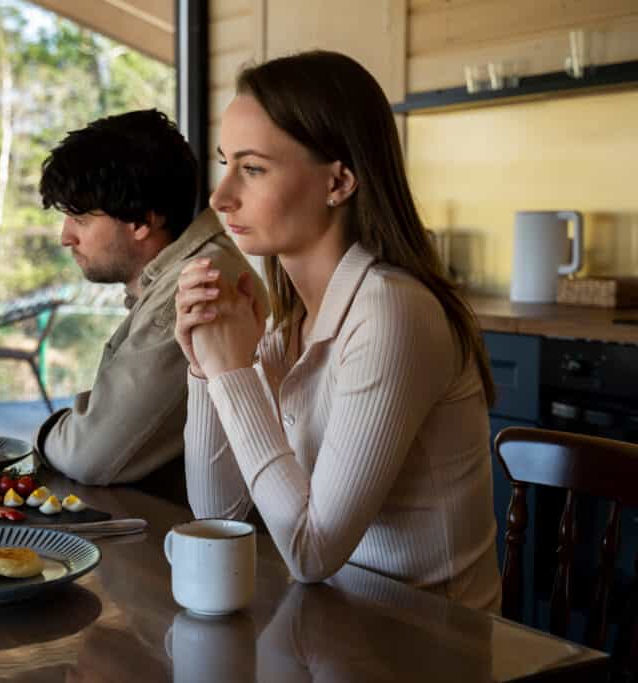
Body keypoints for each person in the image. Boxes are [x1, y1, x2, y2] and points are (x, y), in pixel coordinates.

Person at [175, 51, 501, 610]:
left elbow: (311, 551)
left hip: (432, 648)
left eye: (252, 169)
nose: (220, 196)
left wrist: (233, 374)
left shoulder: (394, 313)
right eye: (226, 163)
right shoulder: (291, 324)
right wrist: (206, 368)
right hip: (336, 625)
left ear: (339, 181)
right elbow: (217, 517)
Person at [35, 109, 265, 491]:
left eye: (81, 219)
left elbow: (89, 453)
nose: (65, 237)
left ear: (142, 220)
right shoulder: (184, 273)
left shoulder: (197, 287)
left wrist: (45, 435)